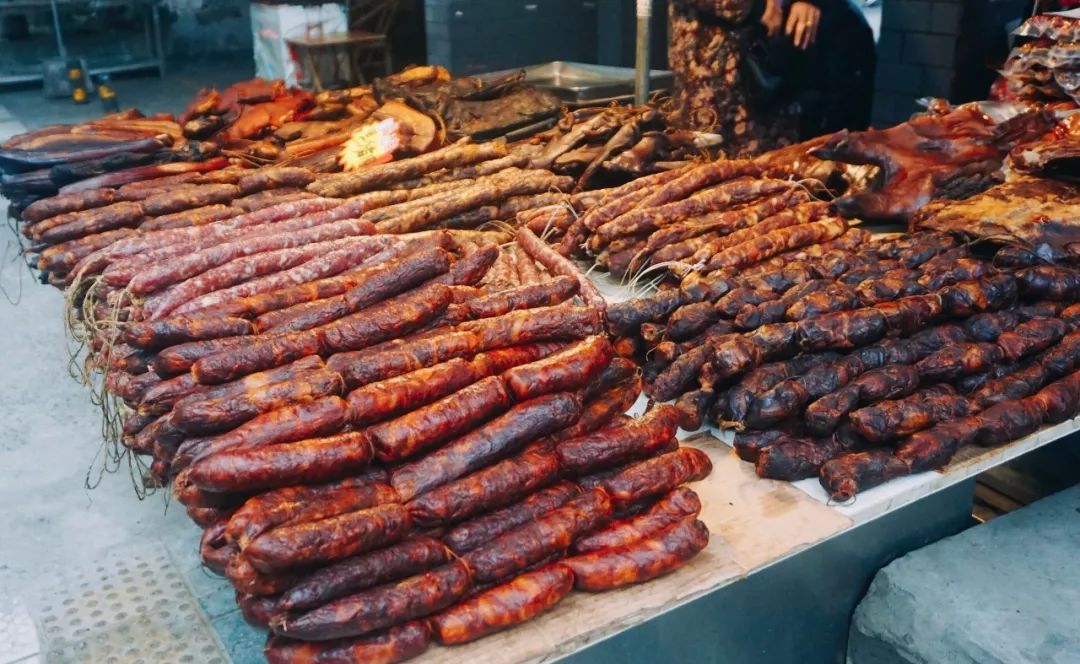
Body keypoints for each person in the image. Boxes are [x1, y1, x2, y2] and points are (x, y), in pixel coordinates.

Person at [668, 0, 810, 156]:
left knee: (779, 166)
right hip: (712, 80)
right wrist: (761, 6)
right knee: (712, 163)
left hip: (771, 69)